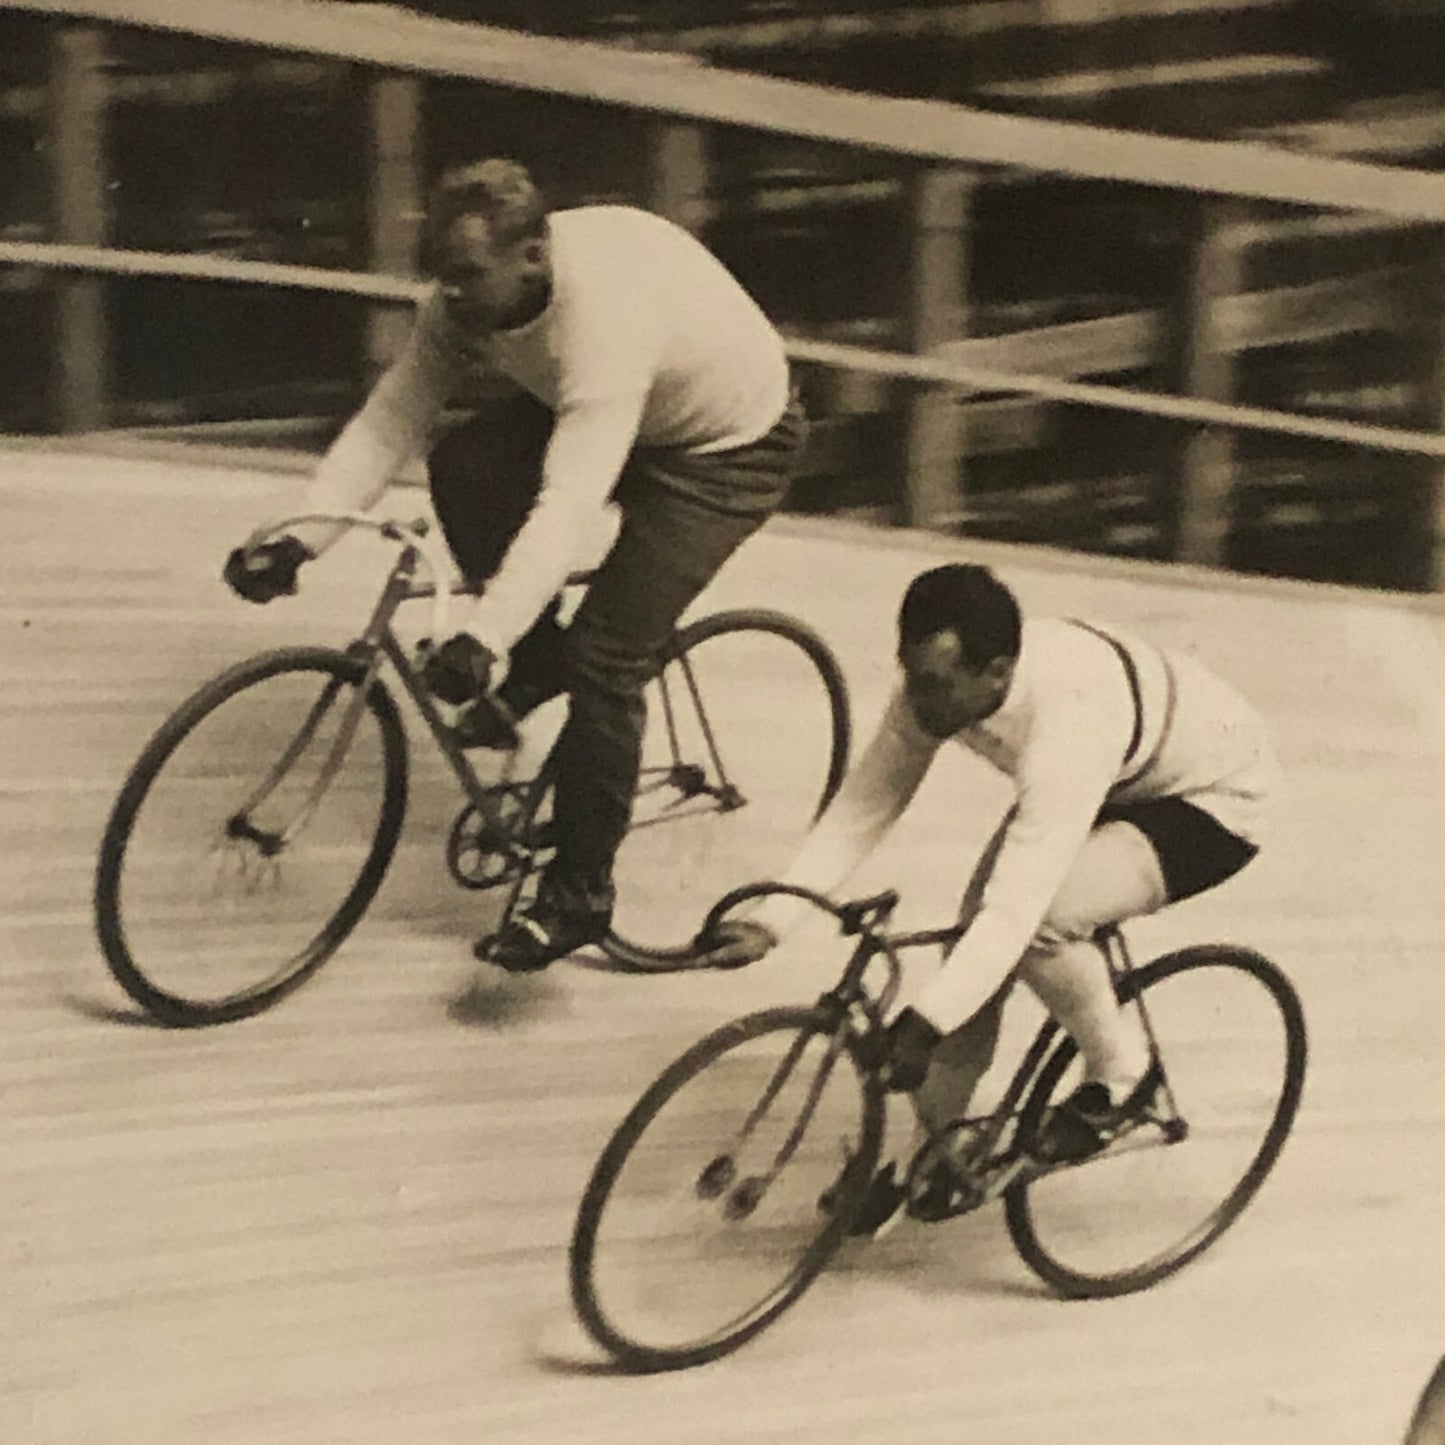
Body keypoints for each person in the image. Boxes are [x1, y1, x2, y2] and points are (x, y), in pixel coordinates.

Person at [223, 158, 808, 972]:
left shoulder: (601, 323)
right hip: (638, 409)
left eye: (465, 275)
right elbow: (390, 419)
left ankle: (577, 900)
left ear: (532, 255)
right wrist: (296, 538)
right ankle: (537, 667)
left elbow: (566, 507)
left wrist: (483, 634)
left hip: (724, 449)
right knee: (463, 463)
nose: (450, 297)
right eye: (440, 277)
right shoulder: (467, 301)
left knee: (609, 660)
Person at [706, 562, 1280, 1235]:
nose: (916, 704)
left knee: (1036, 923)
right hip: (1124, 770)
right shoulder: (936, 683)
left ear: (997, 672)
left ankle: (1125, 1076)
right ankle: (924, 1154)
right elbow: (865, 802)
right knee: (969, 954)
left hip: (1213, 800)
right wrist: (774, 917)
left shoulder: (1065, 724)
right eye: (909, 675)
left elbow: (1013, 913)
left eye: (935, 687)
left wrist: (924, 1023)